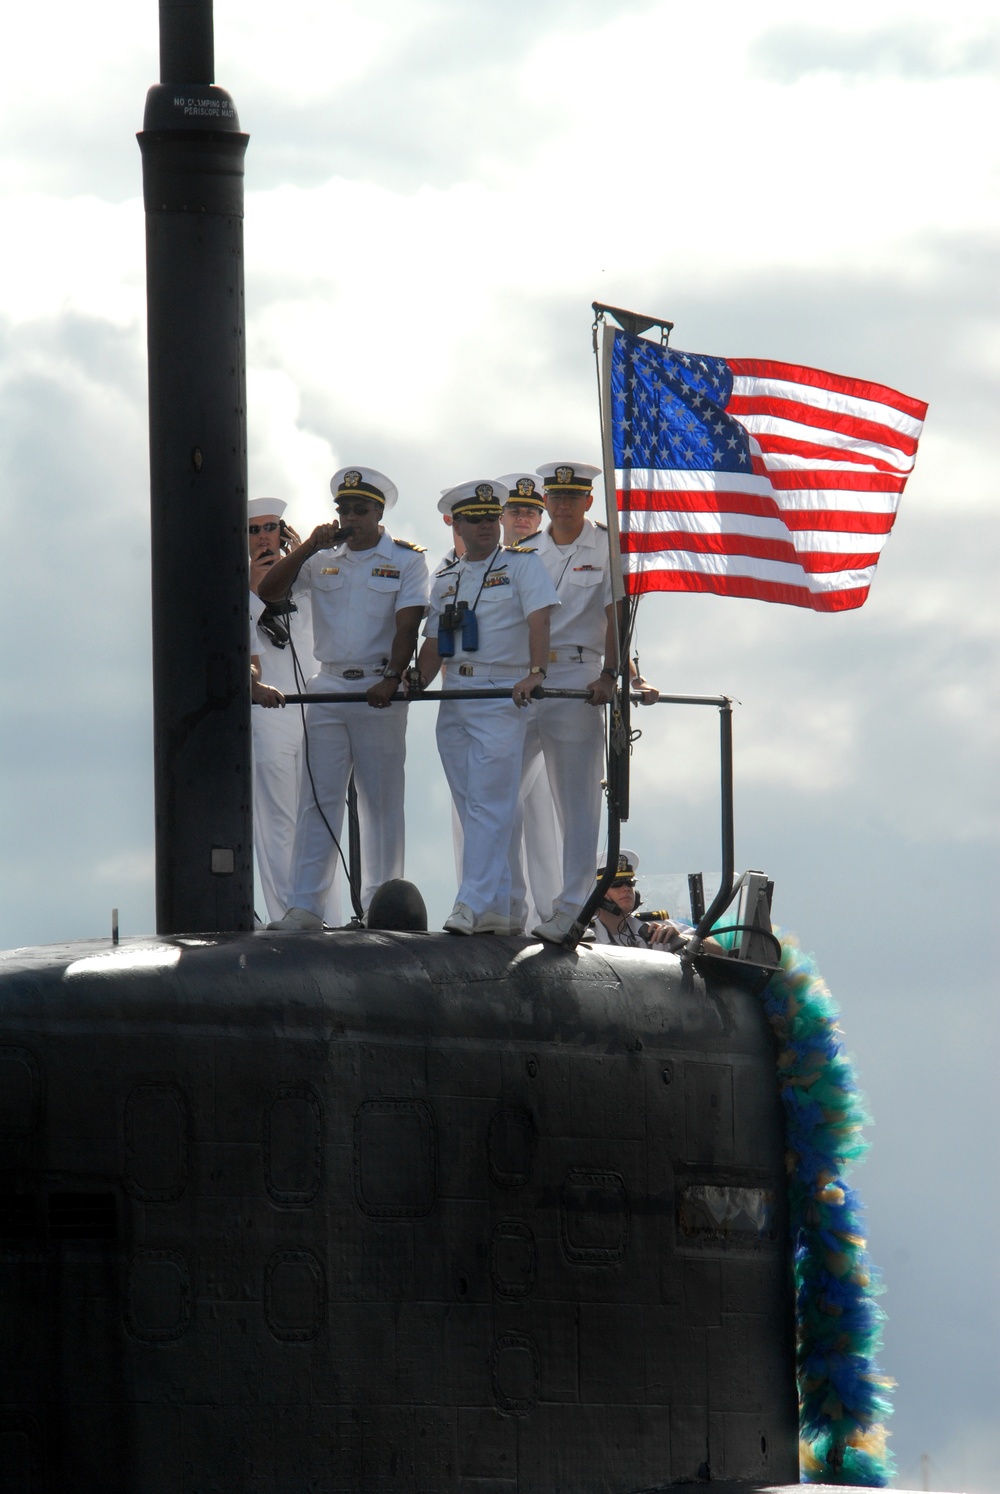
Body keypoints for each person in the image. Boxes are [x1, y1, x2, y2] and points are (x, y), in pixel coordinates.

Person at [259, 467, 429, 930]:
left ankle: (383, 905)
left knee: (380, 801)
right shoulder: (321, 559)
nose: (350, 517)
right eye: (344, 510)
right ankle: (306, 907)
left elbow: (408, 623)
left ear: (379, 513)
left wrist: (393, 677)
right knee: (318, 797)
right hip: (330, 684)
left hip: (378, 685)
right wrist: (308, 547)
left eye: (360, 510)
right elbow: (270, 591)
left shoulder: (406, 560)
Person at [522, 461, 657, 945]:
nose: (562, 504)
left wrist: (611, 673)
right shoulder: (525, 551)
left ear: (588, 502)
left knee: (577, 806)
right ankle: (505, 904)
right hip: (527, 676)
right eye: (555, 496)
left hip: (580, 673)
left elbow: (616, 615)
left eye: (572, 496)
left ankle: (572, 907)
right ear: (544, 502)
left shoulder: (606, 547)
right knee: (497, 797)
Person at [417, 479, 558, 935]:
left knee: (492, 804)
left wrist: (536, 671)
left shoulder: (522, 566)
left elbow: (540, 618)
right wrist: (411, 683)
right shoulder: (446, 579)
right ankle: (500, 903)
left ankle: (469, 902)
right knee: (470, 804)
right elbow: (434, 644)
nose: (484, 526)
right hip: (455, 694)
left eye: (489, 518)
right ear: (456, 525)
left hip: (501, 693)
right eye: (473, 520)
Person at [246, 498, 342, 926]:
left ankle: (327, 917)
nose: (264, 536)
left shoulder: (306, 581)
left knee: (321, 818)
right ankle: (285, 912)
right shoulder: (237, 593)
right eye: (254, 530)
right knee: (279, 822)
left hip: (316, 710)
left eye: (271, 526)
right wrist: (253, 589)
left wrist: (306, 556)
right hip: (270, 713)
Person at [496, 472, 562, 932]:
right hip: (503, 693)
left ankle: (555, 911)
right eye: (516, 511)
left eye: (531, 511)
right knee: (497, 802)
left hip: (552, 688)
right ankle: (502, 906)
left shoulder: (556, 556)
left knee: (548, 816)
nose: (524, 518)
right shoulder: (485, 563)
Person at [590, 850, 726, 954]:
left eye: (629, 883)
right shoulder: (584, 936)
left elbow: (719, 950)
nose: (626, 889)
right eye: (616, 884)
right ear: (596, 892)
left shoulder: (655, 928)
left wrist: (681, 939)